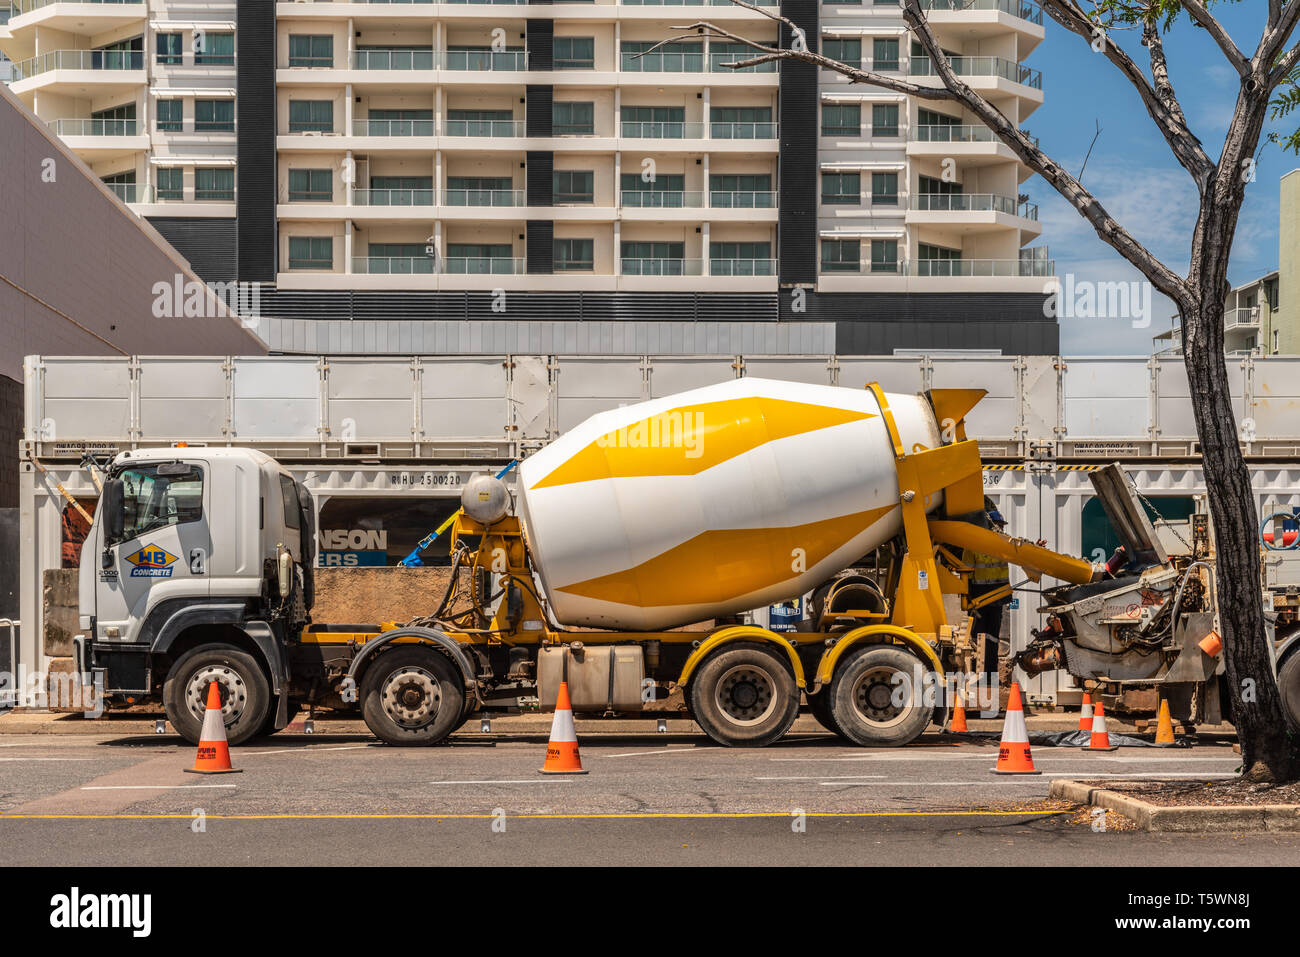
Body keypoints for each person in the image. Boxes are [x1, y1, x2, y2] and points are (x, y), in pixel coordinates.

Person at [962, 502, 1011, 686]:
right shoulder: (974, 545)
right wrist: (968, 599)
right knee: (979, 640)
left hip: (996, 598)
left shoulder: (1005, 543)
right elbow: (965, 574)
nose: (1000, 529)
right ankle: (980, 677)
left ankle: (989, 676)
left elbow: (1024, 552)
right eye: (998, 526)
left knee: (992, 639)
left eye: (1001, 527)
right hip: (980, 600)